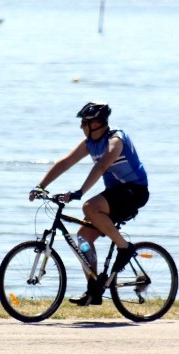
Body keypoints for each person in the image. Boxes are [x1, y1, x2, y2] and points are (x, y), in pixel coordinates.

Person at [29, 102, 149, 306]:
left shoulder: (116, 140)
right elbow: (65, 162)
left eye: (84, 123)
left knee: (89, 207)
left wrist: (80, 192)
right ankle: (94, 289)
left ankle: (124, 248)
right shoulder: (89, 143)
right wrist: (41, 186)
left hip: (134, 192)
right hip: (115, 194)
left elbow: (102, 166)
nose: (81, 127)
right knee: (83, 238)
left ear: (96, 124)